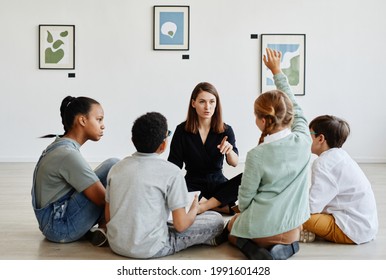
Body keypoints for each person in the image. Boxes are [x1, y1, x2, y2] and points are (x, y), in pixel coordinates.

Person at [224, 48, 312, 260]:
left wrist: (238, 211)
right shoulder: (304, 140)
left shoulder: (257, 155)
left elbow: (244, 201)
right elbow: (297, 109)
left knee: (230, 228)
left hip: (262, 230)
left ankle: (257, 251)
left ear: (262, 121)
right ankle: (288, 247)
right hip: (293, 228)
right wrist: (276, 71)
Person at [105, 112, 225, 259]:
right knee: (216, 219)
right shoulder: (171, 172)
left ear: (133, 140)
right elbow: (180, 225)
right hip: (152, 248)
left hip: (116, 244)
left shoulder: (117, 168)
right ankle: (208, 238)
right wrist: (194, 209)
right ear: (163, 145)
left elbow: (109, 216)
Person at [31, 96, 119, 246]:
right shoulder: (68, 154)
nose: (103, 126)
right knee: (114, 166)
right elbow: (101, 199)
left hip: (52, 220)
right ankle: (109, 227)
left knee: (112, 165)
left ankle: (103, 228)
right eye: (99, 119)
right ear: (82, 120)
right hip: (59, 228)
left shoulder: (60, 146)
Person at [301, 115, 378, 244]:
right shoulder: (340, 156)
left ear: (320, 138)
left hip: (352, 231)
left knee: (294, 213)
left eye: (309, 134)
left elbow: (311, 208)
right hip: (365, 226)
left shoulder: (323, 164)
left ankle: (292, 234)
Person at [168, 82, 242, 214]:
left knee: (245, 178)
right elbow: (174, 166)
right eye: (202, 102)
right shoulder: (181, 130)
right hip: (192, 184)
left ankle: (202, 206)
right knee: (175, 189)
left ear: (216, 104)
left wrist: (229, 151)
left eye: (212, 102)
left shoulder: (226, 130)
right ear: (193, 103)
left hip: (218, 184)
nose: (207, 107)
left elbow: (234, 163)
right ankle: (218, 205)